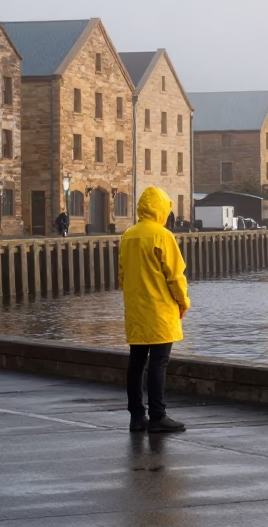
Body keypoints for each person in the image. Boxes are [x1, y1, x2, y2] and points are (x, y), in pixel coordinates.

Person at [119, 186, 190, 434]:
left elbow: (122, 275)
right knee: (159, 363)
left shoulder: (128, 236)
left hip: (137, 309)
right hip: (160, 309)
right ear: (161, 209)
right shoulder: (163, 236)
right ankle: (158, 415)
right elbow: (175, 277)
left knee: (136, 363)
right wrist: (183, 302)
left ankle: (137, 417)